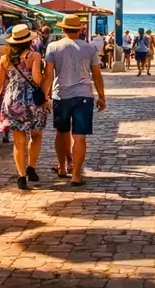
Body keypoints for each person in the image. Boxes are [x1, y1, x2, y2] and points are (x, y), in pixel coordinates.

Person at [43, 14, 106, 187]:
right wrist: (101, 96)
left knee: (61, 132)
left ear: (62, 29)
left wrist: (45, 96)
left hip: (60, 95)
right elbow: (97, 74)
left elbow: (48, 74)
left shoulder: (53, 47)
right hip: (84, 96)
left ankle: (62, 167)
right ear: (81, 29)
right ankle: (76, 175)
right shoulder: (90, 48)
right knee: (79, 137)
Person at [0, 24, 47, 190]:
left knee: (18, 140)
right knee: (35, 135)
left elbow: (0, 82)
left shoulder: (4, 59)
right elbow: (36, 80)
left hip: (12, 99)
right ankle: (31, 167)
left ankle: (21, 176)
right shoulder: (33, 55)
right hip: (32, 101)